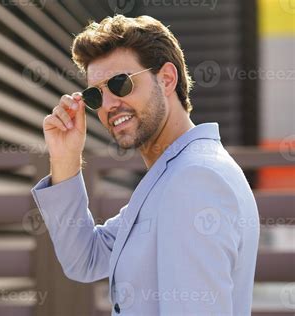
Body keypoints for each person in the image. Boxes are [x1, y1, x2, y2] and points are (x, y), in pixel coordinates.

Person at [31, 15, 259, 315]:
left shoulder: (195, 179)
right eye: (95, 95)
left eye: (119, 84)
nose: (109, 104)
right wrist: (65, 158)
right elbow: (84, 260)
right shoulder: (173, 175)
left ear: (166, 79)